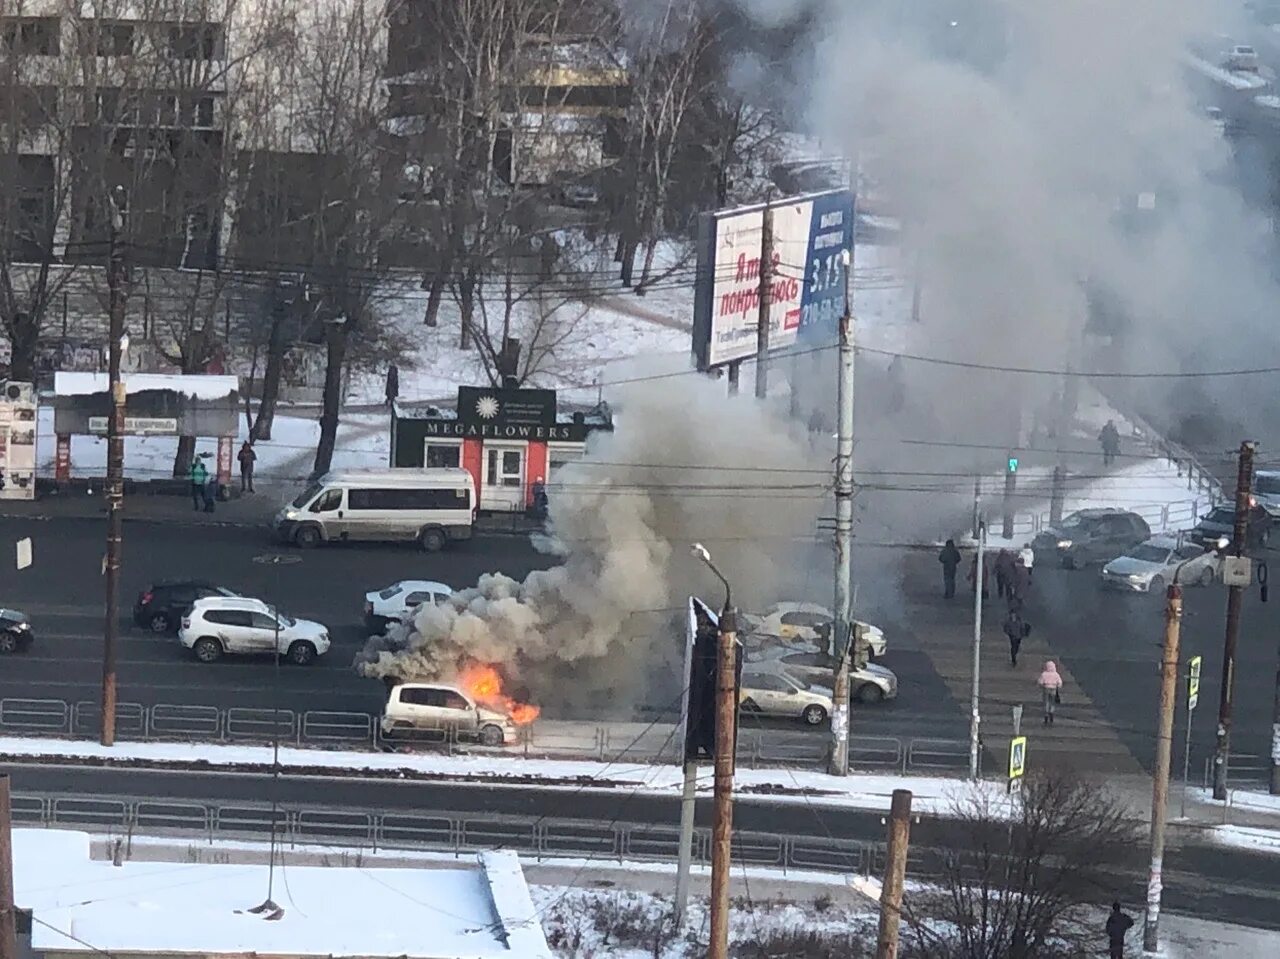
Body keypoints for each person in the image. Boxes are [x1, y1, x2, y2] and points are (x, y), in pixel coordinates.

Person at [1038, 660, 1064, 725]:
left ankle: (1046, 713)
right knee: (1052, 702)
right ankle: (1051, 711)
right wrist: (1058, 686)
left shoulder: (1044, 674)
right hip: (1053, 689)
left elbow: (1040, 682)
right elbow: (1060, 683)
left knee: (1046, 701)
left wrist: (1042, 686)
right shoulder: (1056, 674)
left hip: (1046, 688)